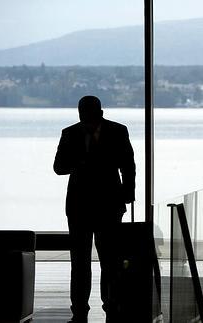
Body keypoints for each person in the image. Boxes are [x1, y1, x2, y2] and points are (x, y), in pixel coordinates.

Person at [54, 95, 135, 323]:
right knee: (86, 261)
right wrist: (127, 195)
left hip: (97, 205)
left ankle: (101, 306)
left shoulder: (74, 133)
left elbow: (128, 165)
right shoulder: (75, 133)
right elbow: (59, 167)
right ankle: (87, 308)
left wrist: (127, 196)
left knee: (104, 260)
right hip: (93, 206)